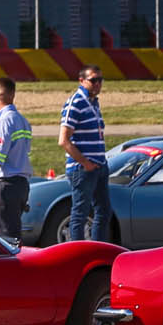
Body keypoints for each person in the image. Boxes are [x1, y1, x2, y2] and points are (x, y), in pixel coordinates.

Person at [0, 77, 33, 245]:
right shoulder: (22, 121)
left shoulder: (4, 122)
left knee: (7, 239)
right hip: (21, 184)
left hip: (7, 186)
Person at [59, 66, 110, 242]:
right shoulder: (76, 102)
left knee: (104, 211)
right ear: (81, 81)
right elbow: (64, 140)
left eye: (100, 80)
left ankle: (97, 249)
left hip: (99, 166)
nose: (98, 84)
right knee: (79, 214)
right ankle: (77, 251)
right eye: (93, 80)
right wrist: (85, 163)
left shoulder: (94, 103)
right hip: (83, 169)